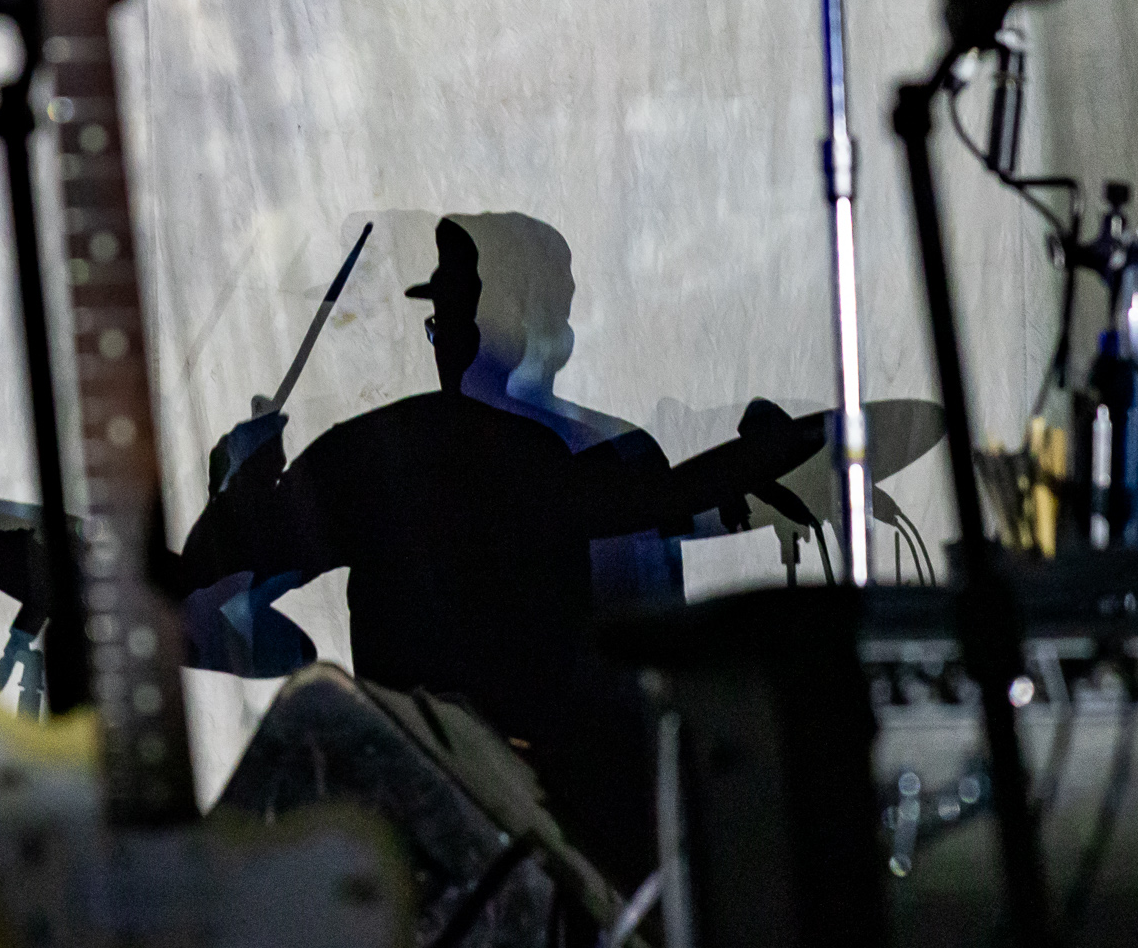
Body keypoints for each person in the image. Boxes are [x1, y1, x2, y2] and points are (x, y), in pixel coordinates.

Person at [182, 217, 819, 878]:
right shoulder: (610, 455)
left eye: (447, 317)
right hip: (574, 824)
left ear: (502, 321)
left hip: (416, 814)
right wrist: (758, 457)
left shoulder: (389, 449)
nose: (440, 338)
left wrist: (239, 488)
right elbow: (650, 520)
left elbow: (212, 588)